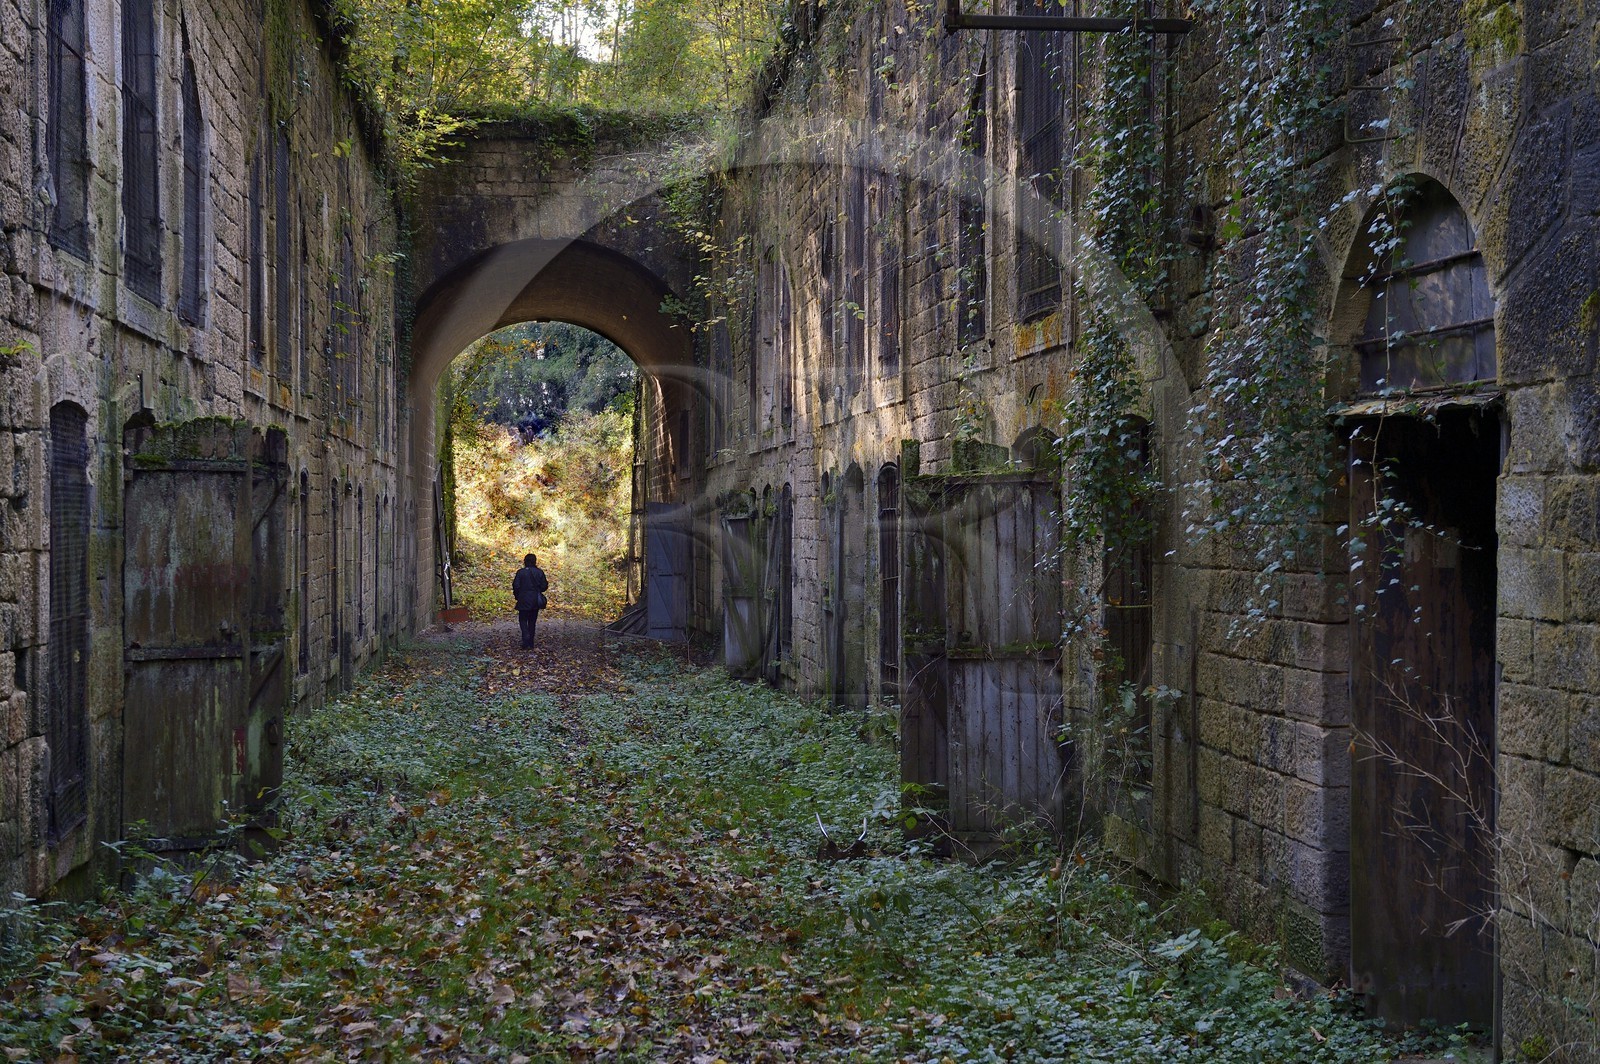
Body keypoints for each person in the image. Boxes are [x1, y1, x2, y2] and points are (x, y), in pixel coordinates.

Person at [511, 553, 549, 648]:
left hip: (523, 599)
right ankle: (530, 643)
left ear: (525, 561)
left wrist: (517, 595)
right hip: (535, 600)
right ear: (535, 561)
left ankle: (525, 637)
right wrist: (538, 589)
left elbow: (516, 585)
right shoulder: (539, 572)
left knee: (523, 619)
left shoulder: (520, 572)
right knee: (532, 621)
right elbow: (544, 586)